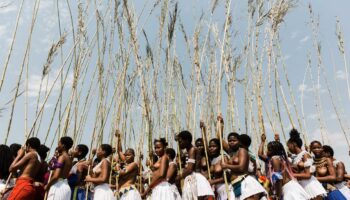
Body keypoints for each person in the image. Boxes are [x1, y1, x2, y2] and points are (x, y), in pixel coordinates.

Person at [221, 134, 267, 200]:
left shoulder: (243, 151)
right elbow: (220, 140)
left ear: (239, 142)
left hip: (245, 182)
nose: (231, 142)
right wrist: (220, 125)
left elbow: (242, 168)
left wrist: (226, 166)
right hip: (236, 183)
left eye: (234, 140)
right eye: (229, 141)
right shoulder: (234, 153)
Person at [287, 129, 326, 200]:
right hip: (303, 187)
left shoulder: (305, 155)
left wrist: (291, 175)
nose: (288, 148)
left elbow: (308, 175)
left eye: (288, 146)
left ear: (294, 144)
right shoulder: (296, 157)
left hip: (311, 187)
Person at [176, 130, 214, 200]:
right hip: (192, 178)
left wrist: (179, 177)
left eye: (180, 141)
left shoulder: (192, 150)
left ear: (187, 140)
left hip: (195, 179)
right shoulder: (189, 150)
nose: (179, 143)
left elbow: (190, 169)